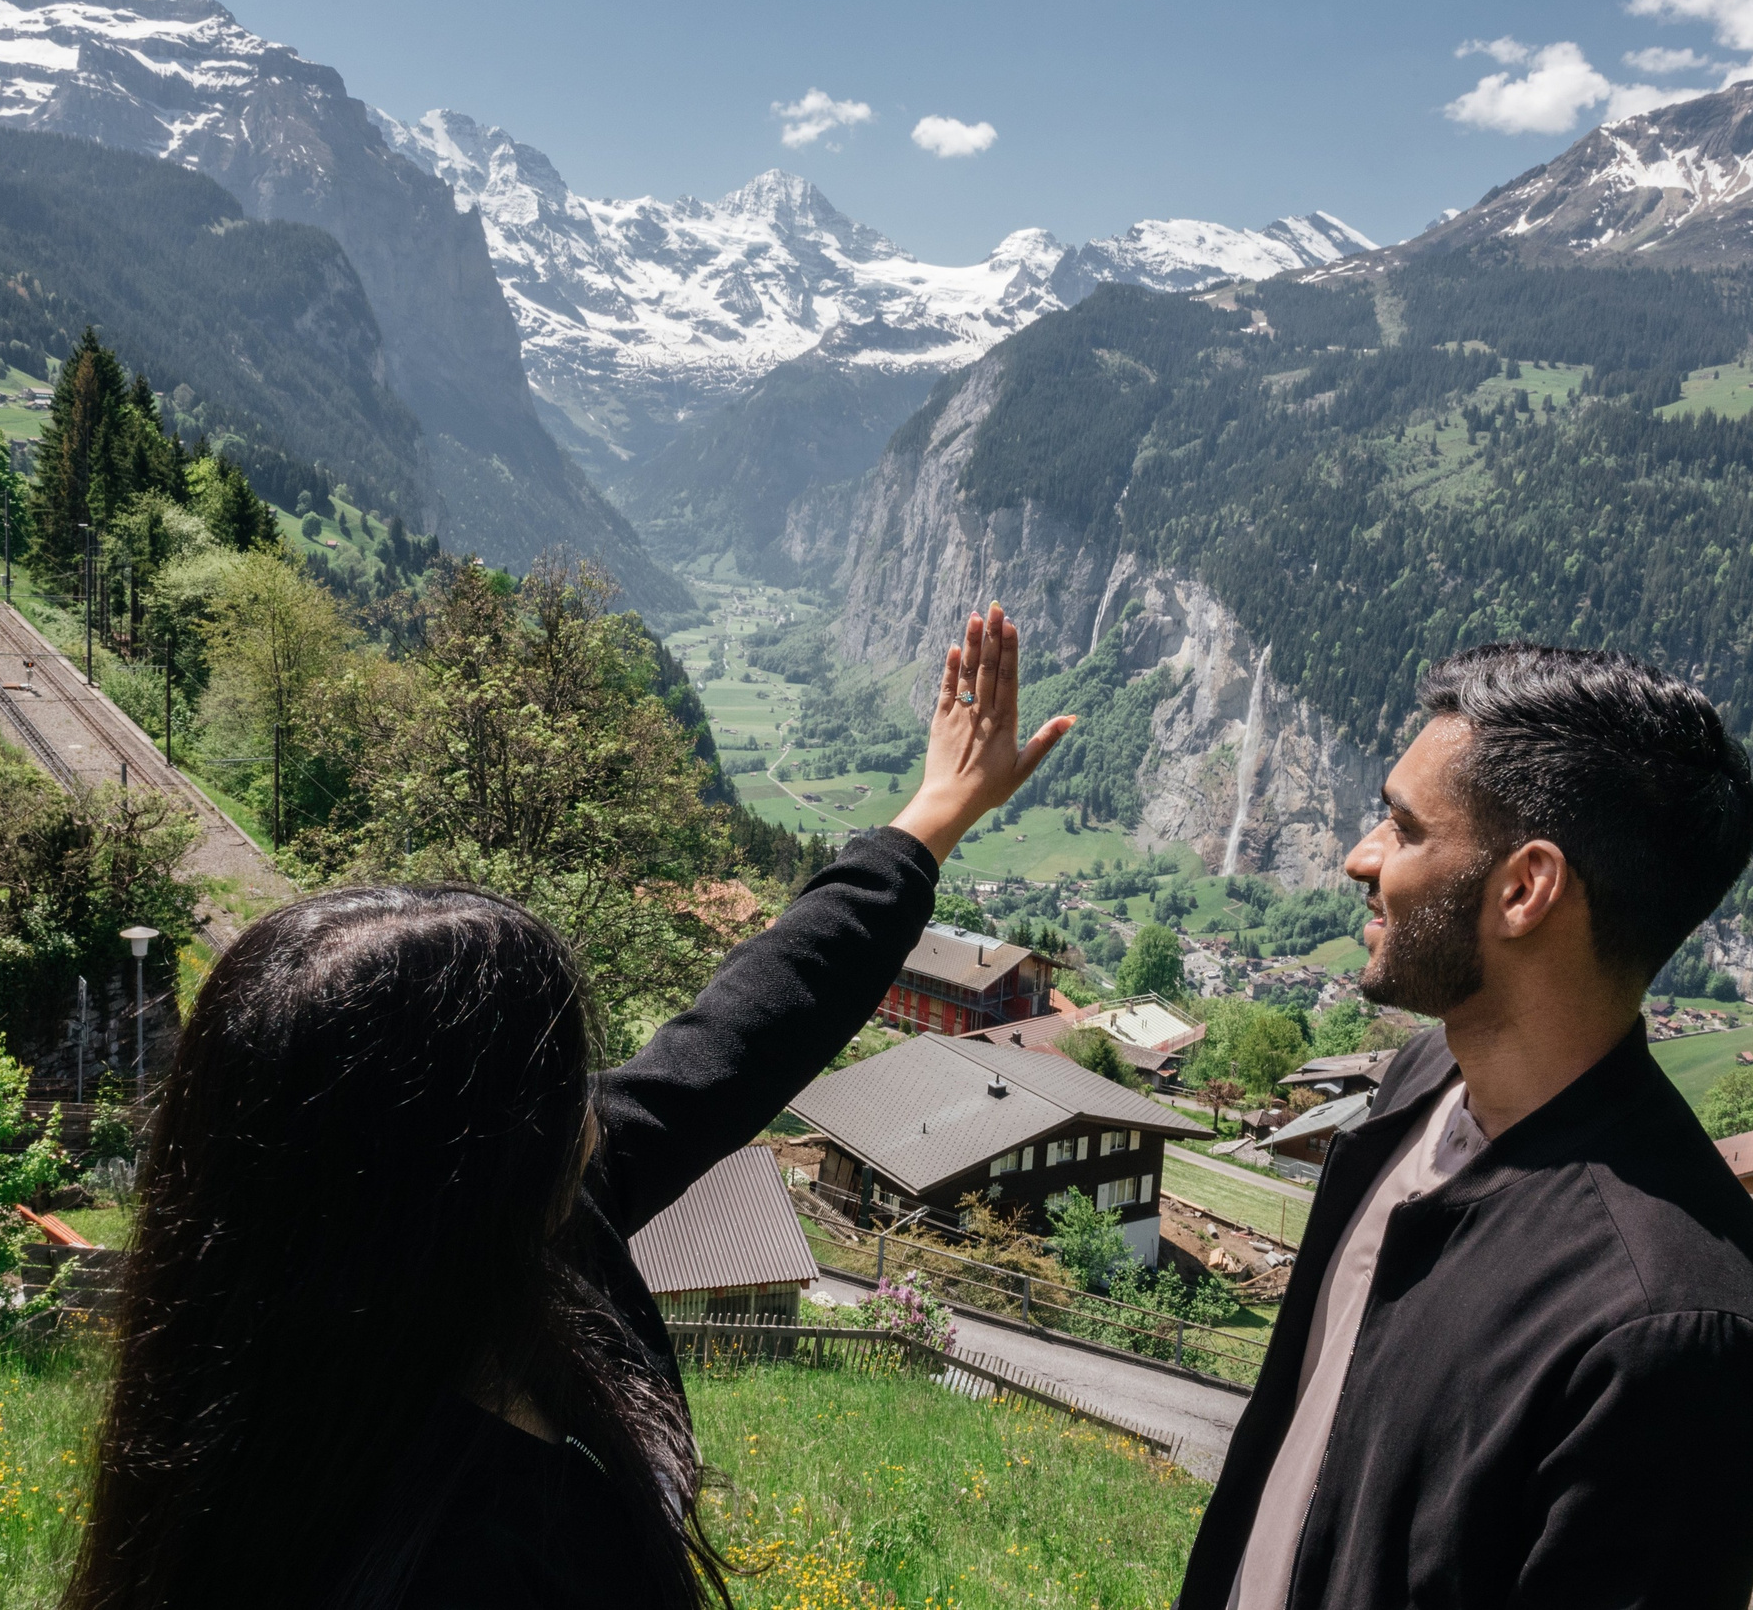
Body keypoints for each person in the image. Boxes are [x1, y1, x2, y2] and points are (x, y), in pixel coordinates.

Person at [66, 606, 1071, 1610]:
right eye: (556, 1084)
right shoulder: (480, 1561)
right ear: (467, 1160)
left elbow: (734, 1039)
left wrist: (926, 822)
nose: (591, 1111)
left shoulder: (278, 1379)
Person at [1179, 643, 1753, 1610]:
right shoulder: (1426, 1080)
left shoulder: (1680, 1339)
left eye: (1402, 827)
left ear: (1525, 889)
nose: (1361, 857)